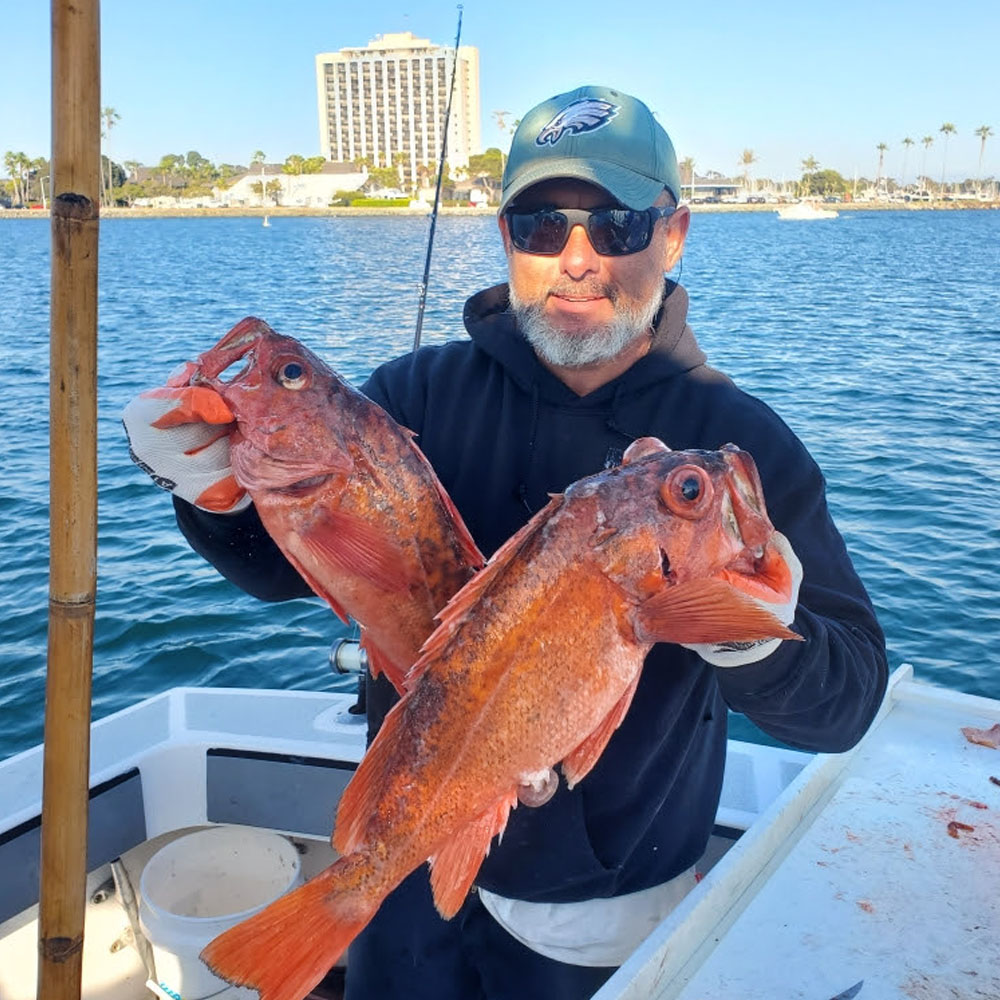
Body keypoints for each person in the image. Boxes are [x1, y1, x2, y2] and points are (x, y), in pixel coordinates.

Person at [124, 85, 888, 1000]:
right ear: (504, 237)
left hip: (601, 896)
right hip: (406, 860)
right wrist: (212, 494)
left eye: (617, 226)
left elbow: (844, 705)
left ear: (674, 234)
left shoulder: (734, 452)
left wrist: (752, 635)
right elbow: (281, 577)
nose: (576, 259)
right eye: (540, 223)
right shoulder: (412, 395)